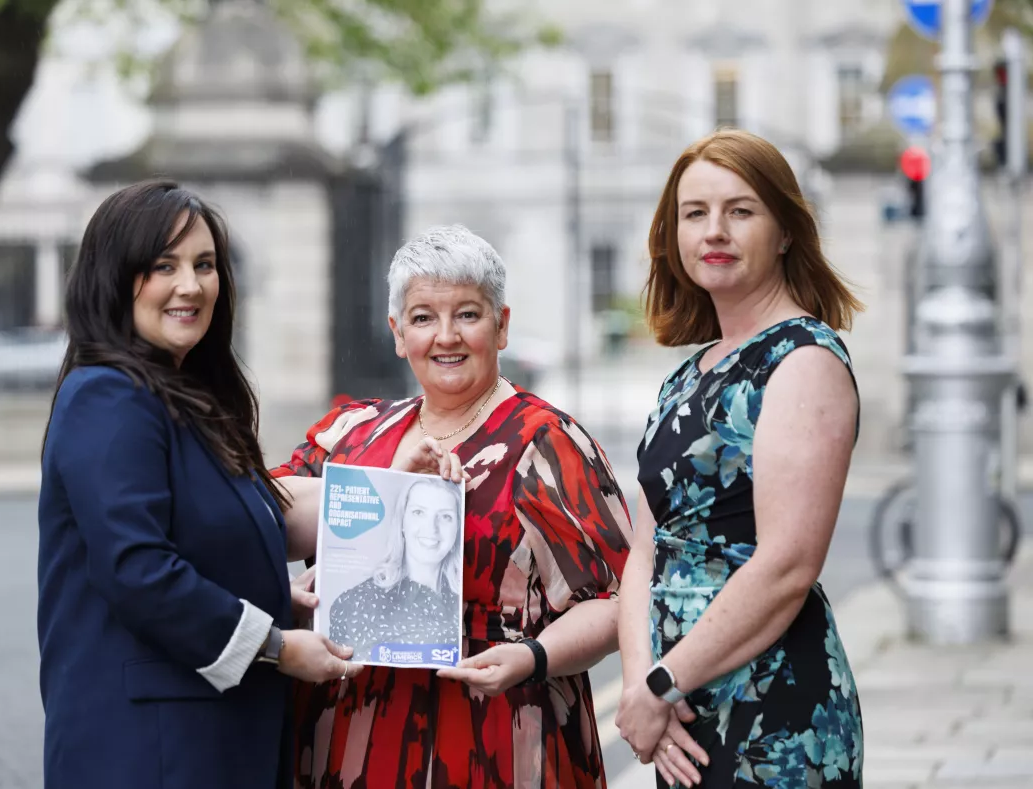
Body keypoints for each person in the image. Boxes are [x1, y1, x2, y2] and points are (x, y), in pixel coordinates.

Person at [272, 225, 633, 788]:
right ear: (397, 333)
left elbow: (617, 602)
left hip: (499, 735)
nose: (446, 336)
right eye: (422, 318)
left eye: (468, 314)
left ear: (502, 325)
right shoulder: (352, 433)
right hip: (348, 738)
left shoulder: (547, 442)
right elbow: (256, 516)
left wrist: (533, 657)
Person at [37, 180, 359, 789]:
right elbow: (138, 570)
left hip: (202, 741)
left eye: (205, 265)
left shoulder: (183, 401)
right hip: (146, 752)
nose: (192, 285)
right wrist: (279, 646)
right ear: (114, 276)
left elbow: (218, 533)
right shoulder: (109, 396)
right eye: (165, 265)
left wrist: (269, 590)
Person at [614, 129, 865, 788]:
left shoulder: (803, 360)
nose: (714, 230)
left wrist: (663, 682)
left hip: (772, 710)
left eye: (740, 210)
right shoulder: (687, 374)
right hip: (681, 708)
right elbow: (645, 549)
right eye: (694, 213)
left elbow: (787, 565)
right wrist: (642, 682)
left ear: (784, 230)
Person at [327, 478, 462, 658]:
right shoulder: (357, 603)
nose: (431, 528)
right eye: (419, 512)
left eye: (445, 516)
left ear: (458, 529)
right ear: (402, 523)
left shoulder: (467, 600)